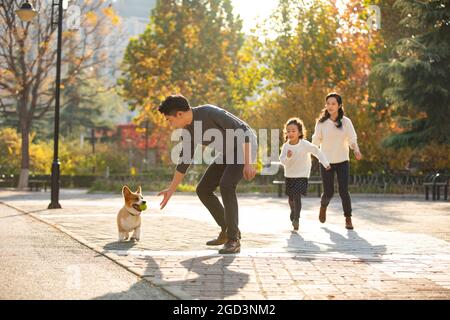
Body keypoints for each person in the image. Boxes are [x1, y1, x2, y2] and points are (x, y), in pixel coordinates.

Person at [157, 94, 257, 254]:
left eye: (170, 119)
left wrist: (248, 163)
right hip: (227, 152)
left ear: (179, 114)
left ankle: (233, 240)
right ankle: (227, 230)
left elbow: (243, 131)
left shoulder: (209, 112)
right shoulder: (187, 131)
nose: (170, 124)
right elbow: (184, 162)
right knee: (203, 189)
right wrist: (171, 190)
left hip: (245, 146)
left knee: (226, 185)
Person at [312, 92, 362, 230]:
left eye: (333, 103)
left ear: (339, 105)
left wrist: (356, 150)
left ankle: (348, 219)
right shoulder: (321, 123)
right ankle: (323, 207)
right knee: (328, 192)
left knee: (343, 191)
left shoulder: (346, 122)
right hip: (326, 161)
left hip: (342, 161)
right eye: (328, 103)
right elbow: (316, 140)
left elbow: (352, 139)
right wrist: (310, 150)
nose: (330, 106)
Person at [280, 117, 330, 231]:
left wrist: (325, 163)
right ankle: (293, 210)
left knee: (297, 196)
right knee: (291, 198)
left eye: (293, 131)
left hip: (302, 175)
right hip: (290, 175)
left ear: (300, 132)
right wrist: (287, 157)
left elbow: (317, 151)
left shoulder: (305, 144)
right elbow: (283, 161)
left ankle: (296, 218)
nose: (290, 133)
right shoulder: (286, 146)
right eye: (288, 131)